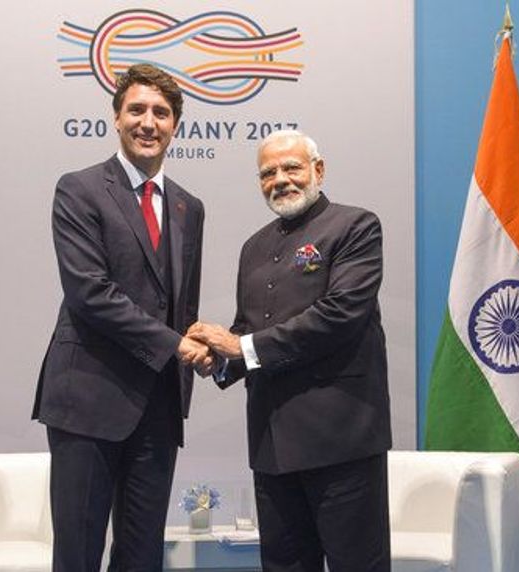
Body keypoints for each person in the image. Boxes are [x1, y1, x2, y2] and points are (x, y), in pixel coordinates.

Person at [32, 63, 209, 572]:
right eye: (137, 110)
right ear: (116, 118)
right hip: (87, 401)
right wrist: (177, 345)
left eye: (161, 113)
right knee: (78, 555)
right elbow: (90, 293)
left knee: (142, 557)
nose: (148, 122)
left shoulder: (189, 207)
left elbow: (182, 306)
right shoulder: (79, 189)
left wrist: (203, 346)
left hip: (159, 407)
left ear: (175, 125)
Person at [189, 129, 392, 572]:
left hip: (341, 441)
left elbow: (339, 314)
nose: (280, 179)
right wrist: (217, 359)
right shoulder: (254, 246)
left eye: (291, 168)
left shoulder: (355, 226)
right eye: (268, 173)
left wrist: (239, 345)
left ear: (318, 170)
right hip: (272, 445)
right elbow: (248, 328)